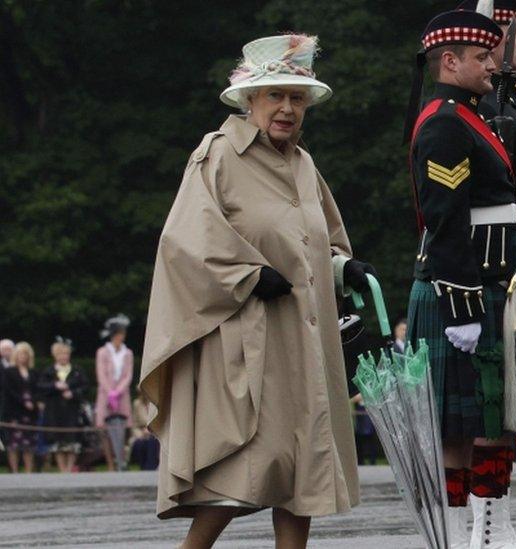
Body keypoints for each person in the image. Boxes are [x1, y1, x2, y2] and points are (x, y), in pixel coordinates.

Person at [139, 33, 375, 548]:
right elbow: (183, 244)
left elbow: (318, 242)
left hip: (305, 342)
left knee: (302, 477)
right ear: (250, 99)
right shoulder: (218, 156)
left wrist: (342, 269)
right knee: (243, 472)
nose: (287, 108)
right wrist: (245, 274)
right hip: (249, 344)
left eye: (297, 97)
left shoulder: (305, 165)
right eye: (275, 95)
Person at [403, 8, 516, 547]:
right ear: (449, 61)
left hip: (481, 284)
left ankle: (482, 535)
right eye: (481, 56)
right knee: (455, 431)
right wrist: (464, 306)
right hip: (459, 290)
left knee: (481, 424)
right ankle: (450, 539)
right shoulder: (447, 123)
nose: (493, 64)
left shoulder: (469, 116)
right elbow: (445, 216)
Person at [36, 338, 88, 473]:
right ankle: (62, 468)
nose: (64, 356)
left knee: (72, 441)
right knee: (58, 441)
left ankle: (70, 468)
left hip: (72, 411)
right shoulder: (49, 371)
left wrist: (73, 393)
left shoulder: (77, 370)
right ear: (55, 355)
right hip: (54, 412)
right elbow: (40, 387)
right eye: (61, 354)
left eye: (66, 354)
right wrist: (55, 386)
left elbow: (85, 387)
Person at [95, 314, 134, 471]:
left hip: (122, 396)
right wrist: (110, 392)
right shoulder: (103, 352)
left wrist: (118, 391)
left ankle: (121, 460)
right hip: (106, 395)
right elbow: (101, 374)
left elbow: (128, 374)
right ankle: (110, 463)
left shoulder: (128, 353)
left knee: (122, 427)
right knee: (105, 429)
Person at [2, 342, 39, 472]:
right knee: (14, 444)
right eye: (20, 354)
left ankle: (28, 471)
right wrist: (24, 402)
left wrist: (33, 403)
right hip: (14, 411)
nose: (22, 357)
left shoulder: (33, 372)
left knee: (29, 444)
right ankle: (15, 471)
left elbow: (37, 390)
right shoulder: (9, 372)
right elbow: (9, 392)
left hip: (30, 413)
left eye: (25, 354)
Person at [128, 395, 160, 471]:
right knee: (139, 443)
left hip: (155, 433)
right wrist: (141, 434)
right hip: (142, 434)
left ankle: (150, 467)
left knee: (152, 440)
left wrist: (150, 430)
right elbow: (134, 425)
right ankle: (144, 468)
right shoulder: (137, 403)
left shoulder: (157, 402)